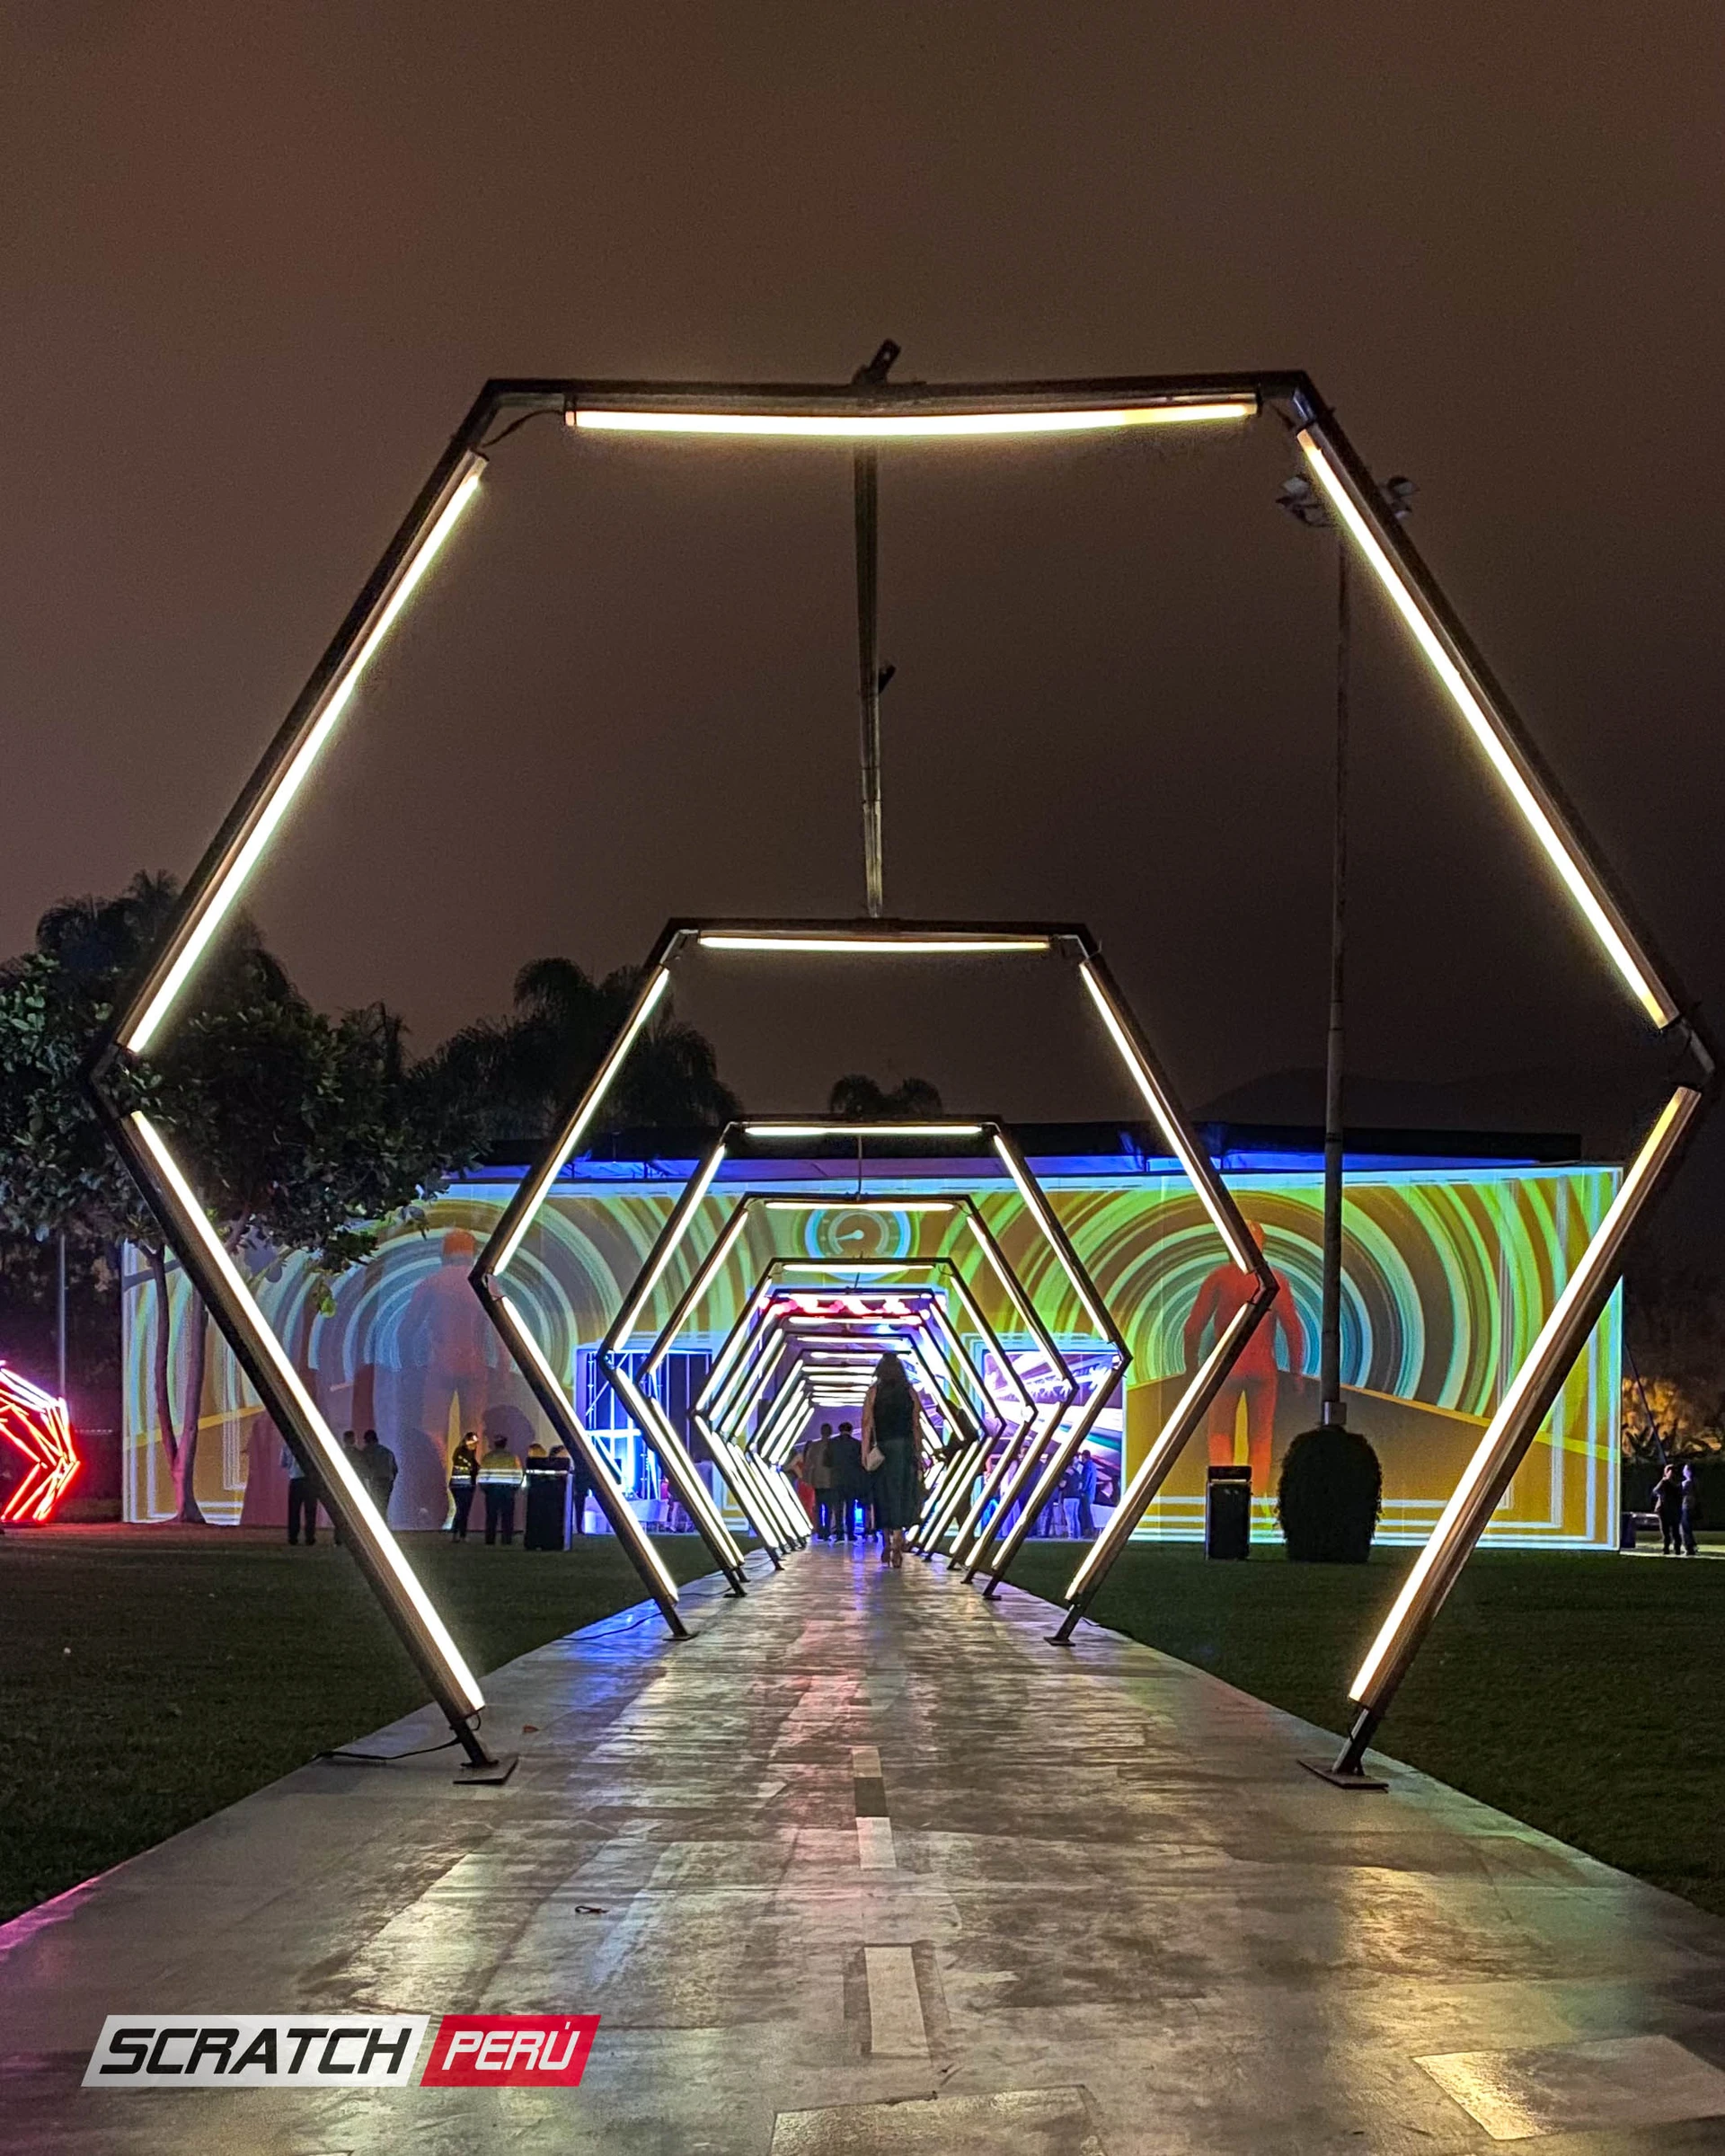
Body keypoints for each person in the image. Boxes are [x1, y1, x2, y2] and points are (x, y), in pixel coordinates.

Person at [1183, 1222, 1306, 1498]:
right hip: (1263, 1369)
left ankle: (1224, 1498)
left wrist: (1191, 1369)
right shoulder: (1274, 1280)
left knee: (1220, 1434)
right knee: (1260, 1438)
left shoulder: (1218, 1278)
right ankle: (1256, 1501)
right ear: (1262, 1244)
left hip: (1226, 1369)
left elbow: (1192, 1329)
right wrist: (1297, 1373)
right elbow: (1293, 1329)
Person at [862, 1353, 921, 1569]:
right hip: (904, 1448)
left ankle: (886, 1539)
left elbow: (867, 1422)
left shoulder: (874, 1392)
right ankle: (899, 1537)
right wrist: (919, 1450)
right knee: (902, 1493)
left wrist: (864, 1452)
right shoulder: (910, 1392)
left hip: (883, 1448)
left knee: (883, 1494)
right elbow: (916, 1424)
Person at [478, 1435, 526, 1544]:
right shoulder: (512, 1457)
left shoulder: (488, 1457)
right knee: (507, 1516)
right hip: (508, 1489)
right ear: (505, 1443)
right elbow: (519, 1474)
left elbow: (483, 1474)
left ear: (495, 1444)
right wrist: (515, 1487)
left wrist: (484, 1488)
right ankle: (506, 1540)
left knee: (491, 1516)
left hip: (492, 1489)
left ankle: (490, 1540)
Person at [828, 1420, 865, 1542]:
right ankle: (850, 1533)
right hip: (851, 1480)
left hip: (836, 1479)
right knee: (850, 1508)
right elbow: (861, 1463)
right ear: (851, 1431)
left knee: (838, 1507)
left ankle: (839, 1533)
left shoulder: (832, 1444)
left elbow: (826, 1461)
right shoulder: (856, 1444)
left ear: (839, 1430)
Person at [356, 1428, 399, 1522]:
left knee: (376, 1504)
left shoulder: (366, 1451)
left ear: (367, 1440)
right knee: (384, 1504)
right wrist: (391, 1480)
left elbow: (363, 1467)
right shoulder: (387, 1451)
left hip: (375, 1480)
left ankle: (378, 1524)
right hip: (388, 1480)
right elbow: (395, 1469)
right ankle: (384, 1523)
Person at [281, 1439, 318, 1546]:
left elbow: (283, 1463)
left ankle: (293, 1537)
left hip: (295, 1480)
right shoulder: (312, 1444)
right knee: (310, 1511)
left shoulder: (287, 1445)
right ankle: (310, 1537)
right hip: (310, 1481)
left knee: (294, 1511)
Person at [448, 1432, 480, 1540]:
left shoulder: (460, 1452)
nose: (475, 1445)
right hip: (464, 1485)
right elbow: (472, 1467)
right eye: (473, 1443)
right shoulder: (464, 1454)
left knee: (462, 1510)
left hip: (458, 1485)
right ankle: (458, 1533)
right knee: (463, 1510)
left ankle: (458, 1534)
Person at [807, 1423, 836, 1540]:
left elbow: (809, 1463)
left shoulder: (814, 1446)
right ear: (831, 1432)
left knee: (818, 1507)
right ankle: (828, 1529)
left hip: (817, 1481)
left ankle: (820, 1529)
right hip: (831, 1480)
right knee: (829, 1507)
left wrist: (809, 1479)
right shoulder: (833, 1445)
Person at [1653, 1462, 1685, 1555]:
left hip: (1664, 1509)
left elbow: (1656, 1490)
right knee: (1676, 1531)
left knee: (1665, 1531)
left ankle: (1666, 1548)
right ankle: (1677, 1549)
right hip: (1676, 1510)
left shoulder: (1665, 1482)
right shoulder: (1679, 1484)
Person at [1681, 1460, 1703, 1557]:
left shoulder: (1687, 1483)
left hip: (1686, 1507)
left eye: (1685, 1469)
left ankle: (1689, 1548)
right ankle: (1692, 1545)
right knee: (1687, 1528)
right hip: (1691, 1507)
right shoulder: (1695, 1482)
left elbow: (1680, 1493)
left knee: (1685, 1528)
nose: (1683, 1471)